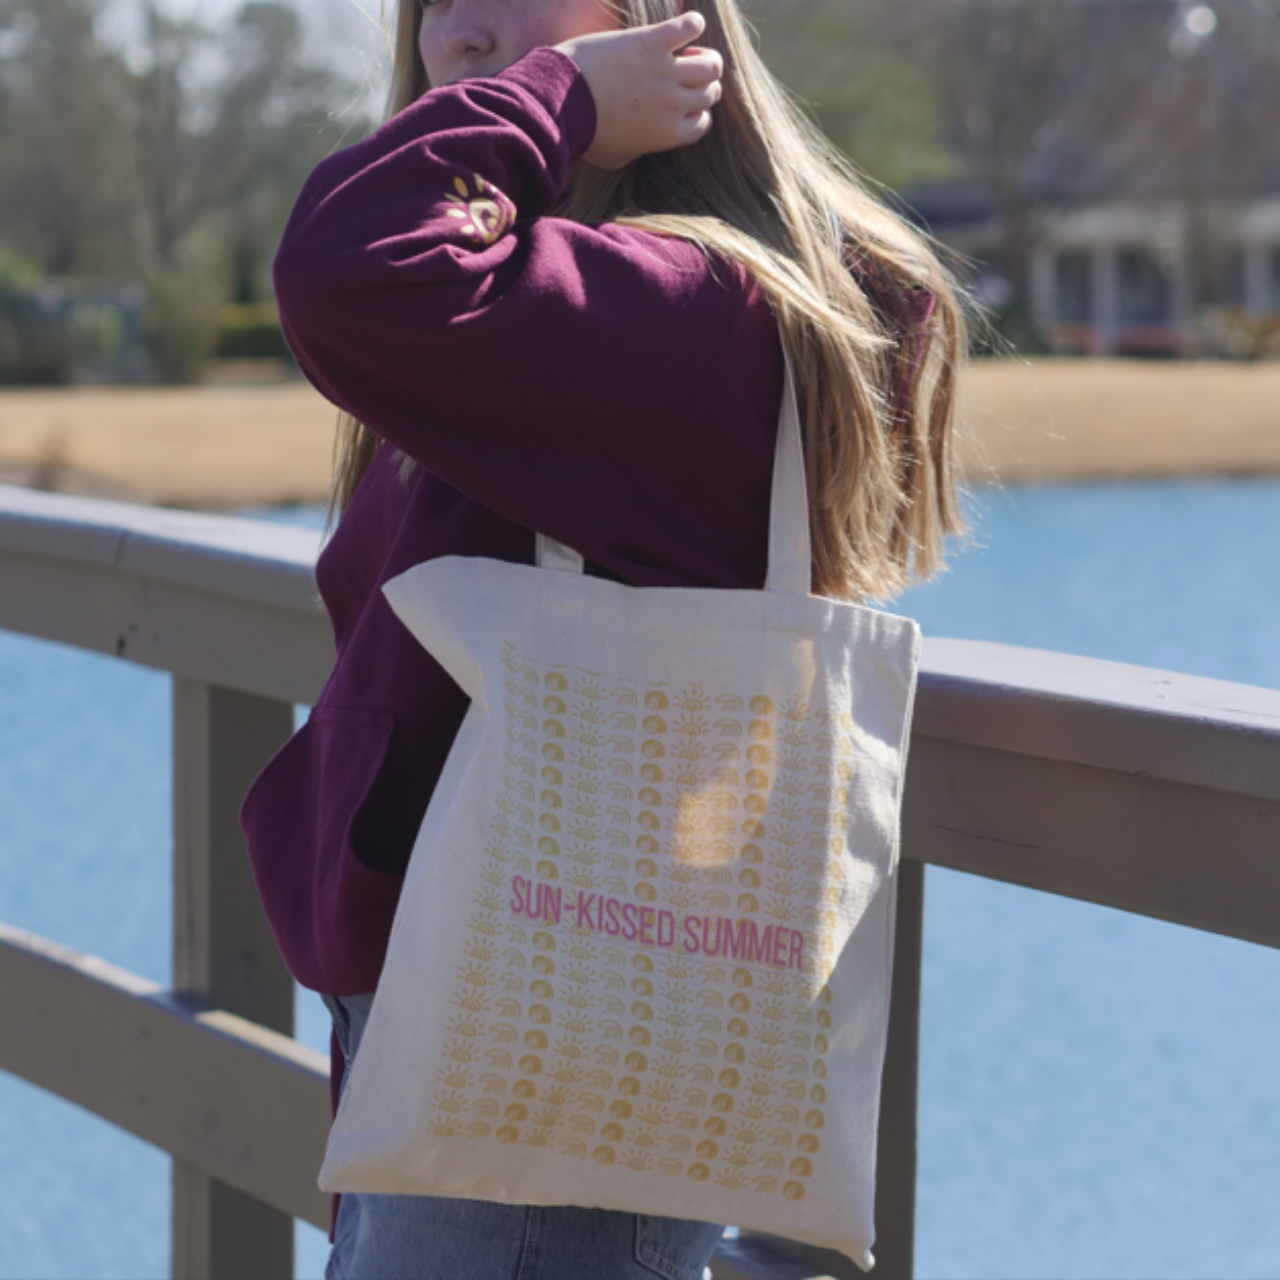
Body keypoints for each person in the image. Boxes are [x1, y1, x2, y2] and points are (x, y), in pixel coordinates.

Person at [242, 0, 966, 1275]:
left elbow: (345, 262)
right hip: (494, 994)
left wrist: (558, 92)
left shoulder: (688, 310)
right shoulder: (600, 290)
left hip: (535, 1023)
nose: (462, 25)